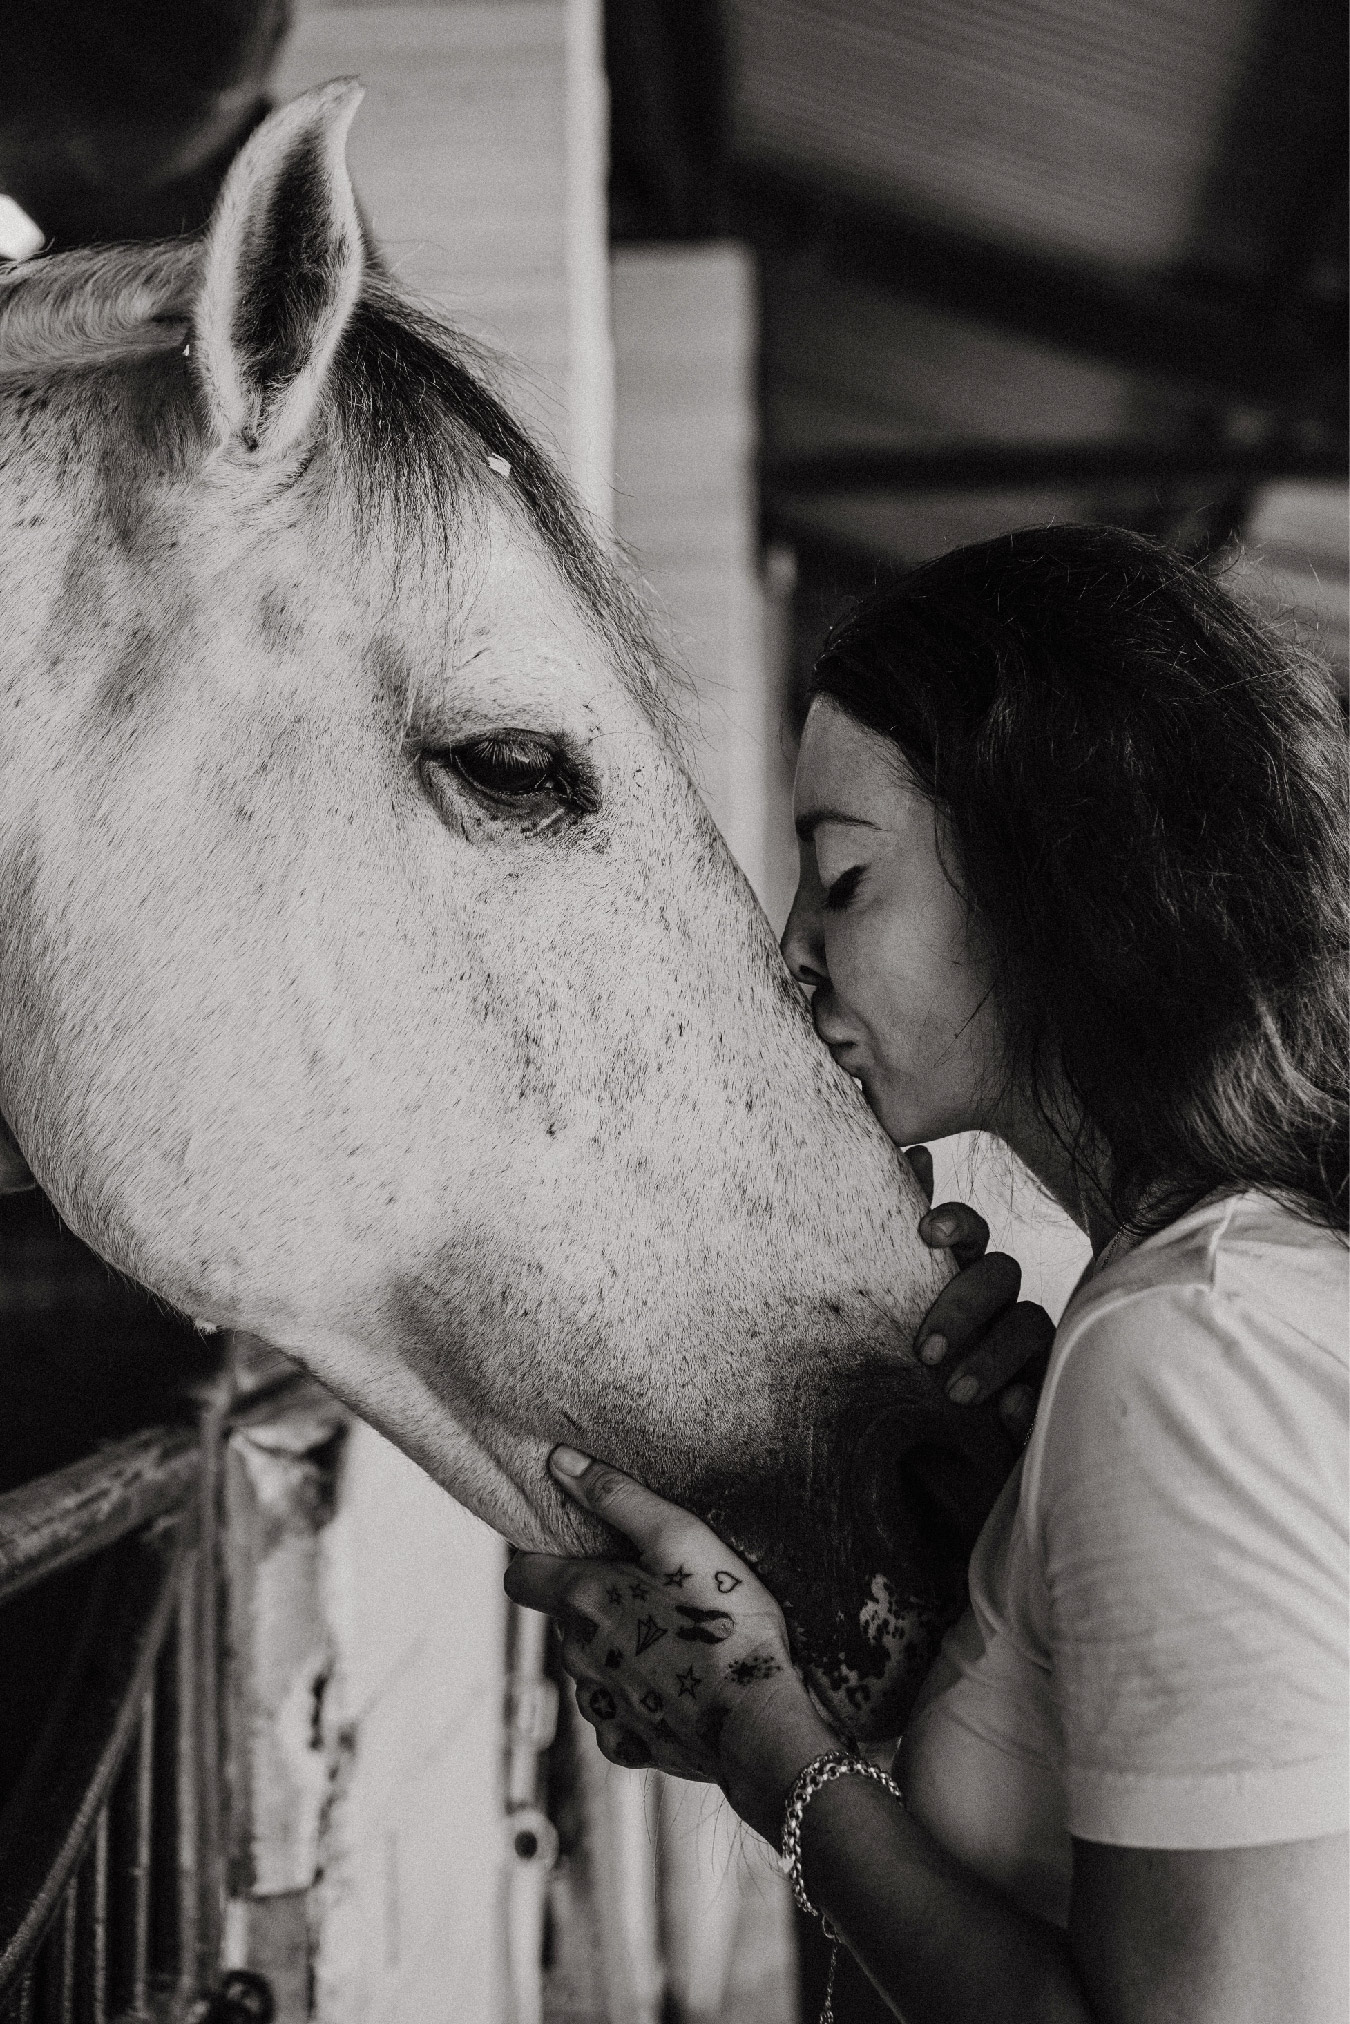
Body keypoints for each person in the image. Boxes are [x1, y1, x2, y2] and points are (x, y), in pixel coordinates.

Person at [506, 525, 1349, 2024]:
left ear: (1055, 883)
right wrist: (996, 1527)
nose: (790, 953)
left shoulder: (1190, 1345)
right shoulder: (1188, 1306)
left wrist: (761, 1743)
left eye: (841, 882)